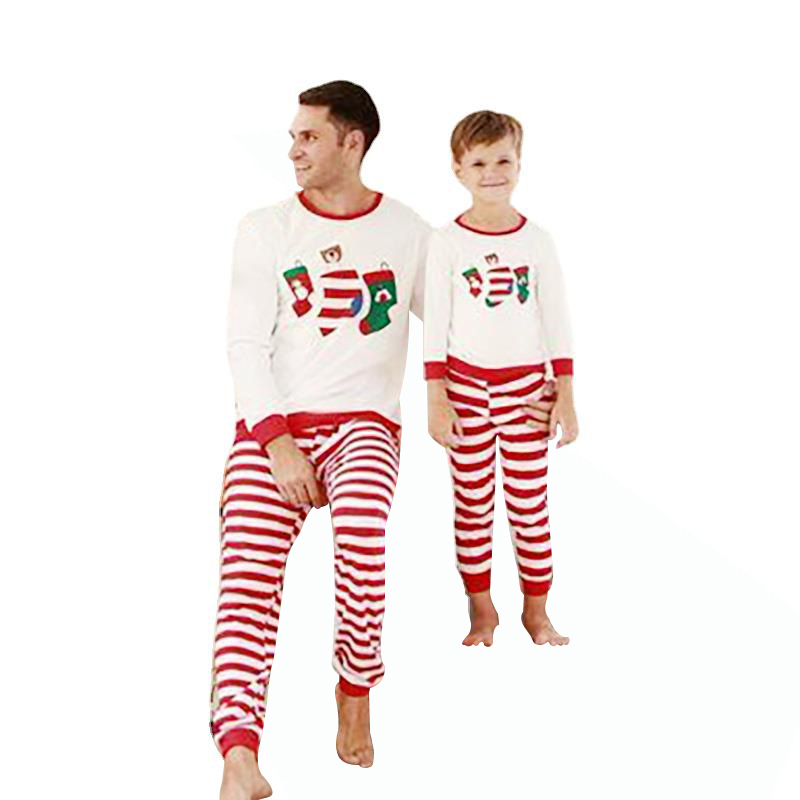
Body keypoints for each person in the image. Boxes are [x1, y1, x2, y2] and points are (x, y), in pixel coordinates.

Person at [210, 80, 430, 799]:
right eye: (293, 137)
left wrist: (537, 383)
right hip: (273, 428)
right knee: (245, 580)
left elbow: (457, 327)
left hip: (364, 424)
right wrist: (277, 445)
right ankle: (239, 753)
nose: (294, 150)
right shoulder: (264, 229)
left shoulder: (407, 232)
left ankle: (355, 686)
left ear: (352, 142)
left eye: (309, 136)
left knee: (362, 535)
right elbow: (245, 346)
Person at [423, 110, 578, 650]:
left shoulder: (536, 242)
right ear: (458, 169)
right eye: (479, 163)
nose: (492, 173)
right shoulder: (446, 242)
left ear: (520, 163)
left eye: (503, 160)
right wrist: (436, 399)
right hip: (465, 392)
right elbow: (435, 325)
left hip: (527, 393)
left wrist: (566, 396)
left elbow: (556, 320)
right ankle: (482, 611)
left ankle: (537, 610)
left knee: (529, 505)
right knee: (472, 504)